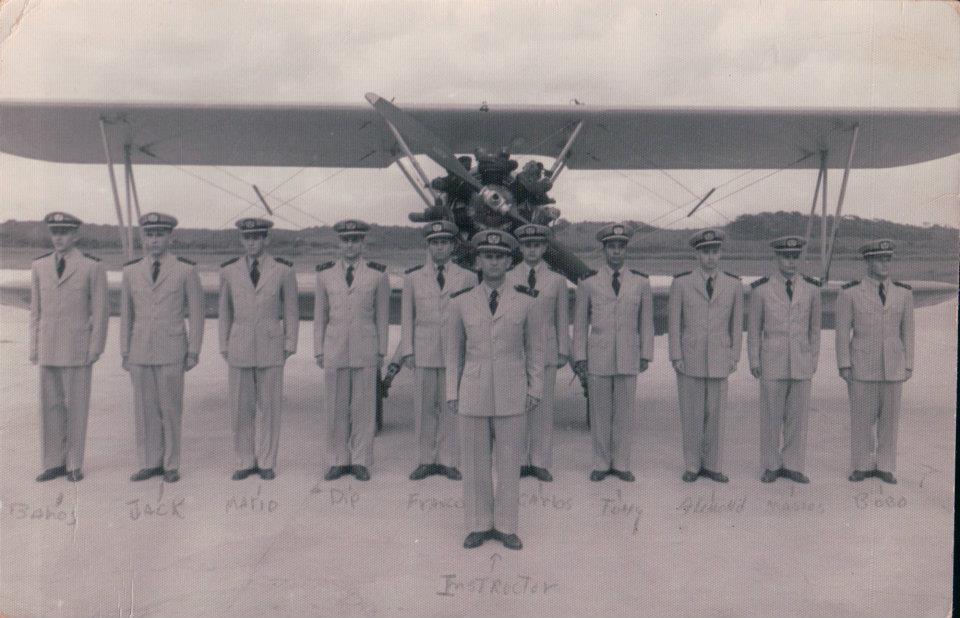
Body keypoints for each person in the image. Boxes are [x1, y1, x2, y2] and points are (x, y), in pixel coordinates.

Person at [445, 230, 543, 550]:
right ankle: (478, 524)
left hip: (513, 390)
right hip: (472, 390)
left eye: (500, 257)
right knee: (474, 463)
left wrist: (535, 388)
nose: (494, 262)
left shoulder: (526, 301)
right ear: (477, 261)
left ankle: (506, 526)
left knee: (509, 461)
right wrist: (452, 391)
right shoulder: (461, 302)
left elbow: (535, 350)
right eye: (488, 256)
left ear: (509, 262)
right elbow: (453, 352)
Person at [120, 213, 204, 483]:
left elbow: (197, 314)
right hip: (140, 350)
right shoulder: (131, 271)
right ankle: (149, 462)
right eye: (149, 235)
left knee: (170, 409)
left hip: (171, 349)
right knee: (145, 410)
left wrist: (193, 351)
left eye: (159, 234)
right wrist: (125, 351)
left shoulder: (185, 269)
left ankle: (170, 464)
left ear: (170, 237)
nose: (153, 240)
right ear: (143, 237)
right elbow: (126, 315)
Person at [392, 220, 478, 481]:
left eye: (444, 243)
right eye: (434, 243)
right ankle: (425, 459)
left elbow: (471, 318)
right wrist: (407, 350)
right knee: (424, 409)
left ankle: (449, 460)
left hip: (455, 353)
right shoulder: (413, 277)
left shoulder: (467, 277)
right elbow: (407, 317)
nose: (439, 248)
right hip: (424, 351)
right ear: (428, 246)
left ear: (452, 246)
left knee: (452, 406)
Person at [572, 223, 653, 482]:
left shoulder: (640, 282)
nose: (616, 252)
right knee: (600, 412)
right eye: (611, 247)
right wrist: (580, 357)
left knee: (624, 413)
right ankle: (600, 463)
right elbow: (580, 323)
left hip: (628, 355)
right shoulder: (589, 283)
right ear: (604, 250)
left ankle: (621, 464)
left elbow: (646, 322)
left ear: (625, 250)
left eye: (620, 247)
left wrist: (645, 354)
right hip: (599, 355)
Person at [30, 211, 108, 482]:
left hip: (77, 348)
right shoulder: (39, 266)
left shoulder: (91, 266)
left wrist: (95, 347)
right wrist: (34, 346)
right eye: (54, 232)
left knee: (76, 406)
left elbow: (100, 311)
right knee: (50, 406)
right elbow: (35, 311)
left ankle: (74, 463)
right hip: (49, 346)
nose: (58, 238)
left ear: (76, 235)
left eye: (64, 232)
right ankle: (53, 462)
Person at [219, 217, 299, 480]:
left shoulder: (283, 270)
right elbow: (224, 311)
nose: (252, 242)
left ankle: (266, 461)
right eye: (247, 237)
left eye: (257, 237)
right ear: (241, 239)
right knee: (241, 407)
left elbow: (291, 311)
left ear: (266, 239)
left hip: (271, 345)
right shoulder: (229, 271)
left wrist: (289, 344)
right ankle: (244, 460)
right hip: (240, 345)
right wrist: (224, 344)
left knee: (270, 407)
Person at [314, 219, 390, 482]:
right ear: (339, 242)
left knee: (363, 408)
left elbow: (382, 315)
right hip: (334, 348)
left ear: (362, 242)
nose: (350, 245)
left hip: (365, 348)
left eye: (355, 240)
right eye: (346, 240)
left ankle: (360, 460)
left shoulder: (377, 274)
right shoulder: (324, 274)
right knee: (335, 407)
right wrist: (318, 350)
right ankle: (337, 459)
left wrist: (382, 350)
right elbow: (320, 316)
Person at [836, 239, 914, 484]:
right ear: (868, 262)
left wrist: (908, 363)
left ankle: (886, 466)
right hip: (862, 365)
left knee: (890, 419)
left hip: (893, 365)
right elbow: (842, 332)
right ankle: (862, 465)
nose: (885, 263)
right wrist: (844, 364)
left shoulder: (903, 293)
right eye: (880, 259)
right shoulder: (850, 293)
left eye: (888, 258)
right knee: (862, 418)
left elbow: (908, 331)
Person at [668, 228, 743, 483]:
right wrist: (675, 355)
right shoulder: (681, 283)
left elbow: (736, 323)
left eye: (714, 252)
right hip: (690, 358)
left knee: (716, 415)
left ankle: (713, 465)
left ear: (720, 253)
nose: (710, 257)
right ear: (697, 254)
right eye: (705, 252)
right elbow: (674, 323)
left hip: (720, 357)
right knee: (691, 414)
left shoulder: (733, 284)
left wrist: (735, 355)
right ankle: (692, 465)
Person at [747, 236, 821, 484]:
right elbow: (754, 328)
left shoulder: (811, 289)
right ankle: (771, 465)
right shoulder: (761, 289)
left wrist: (813, 360)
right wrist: (754, 360)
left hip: (800, 361)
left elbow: (814, 329)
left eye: (795, 257)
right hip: (772, 360)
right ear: (777, 258)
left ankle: (793, 465)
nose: (790, 262)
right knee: (771, 416)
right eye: (785, 257)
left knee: (797, 417)